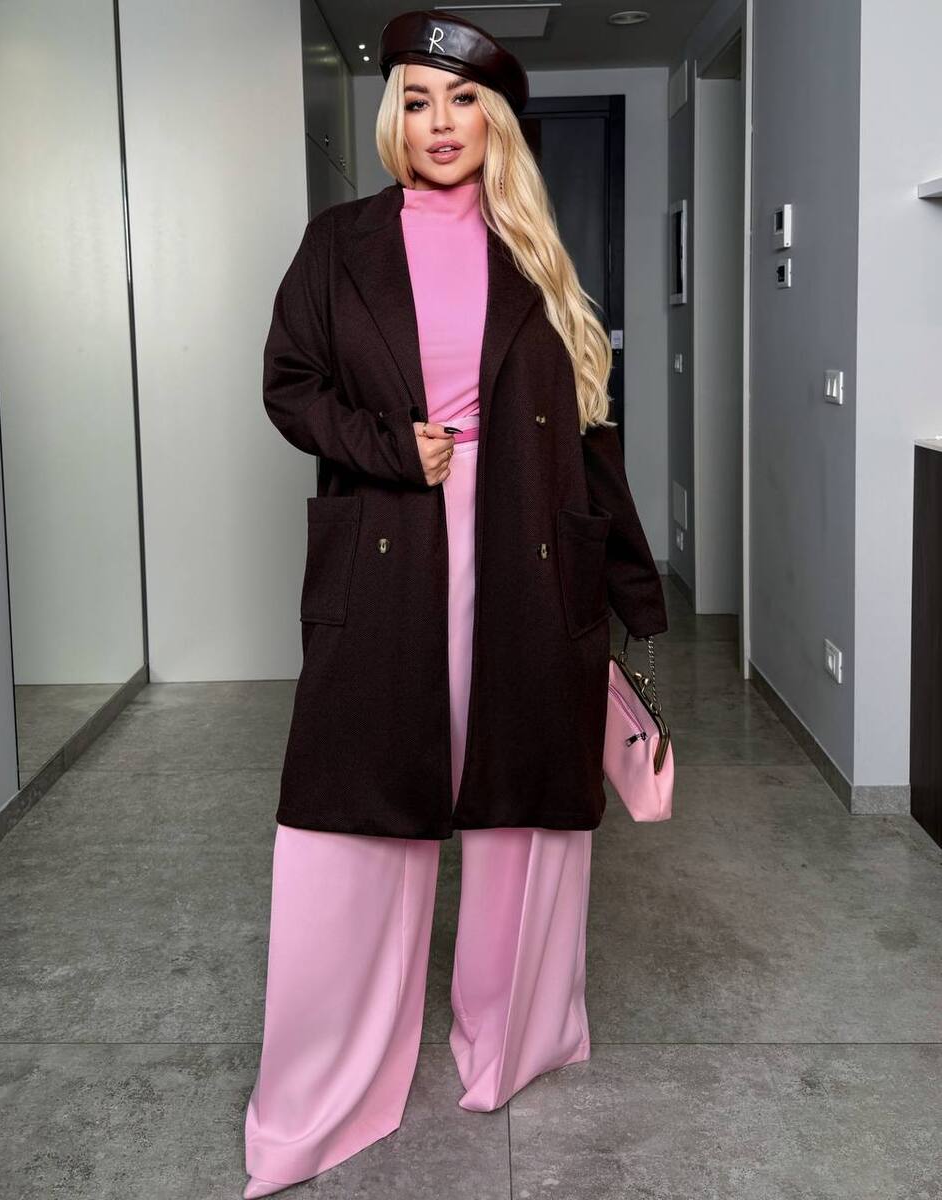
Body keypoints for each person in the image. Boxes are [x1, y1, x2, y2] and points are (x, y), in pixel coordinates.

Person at [242, 10, 667, 1196]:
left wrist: (631, 598)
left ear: (495, 121)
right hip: (392, 549)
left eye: (463, 100)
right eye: (418, 100)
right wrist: (390, 446)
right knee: (355, 810)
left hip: (527, 555)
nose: (440, 123)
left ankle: (510, 1038)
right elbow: (288, 384)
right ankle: (325, 1085)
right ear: (394, 114)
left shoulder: (532, 250)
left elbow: (586, 438)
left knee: (518, 807)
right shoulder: (340, 242)